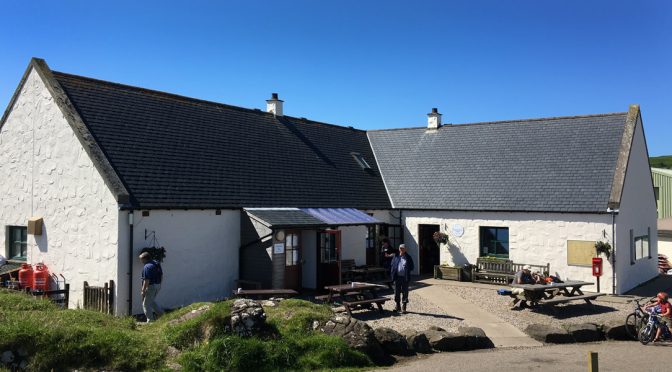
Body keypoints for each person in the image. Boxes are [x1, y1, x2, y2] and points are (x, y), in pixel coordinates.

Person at [140, 252, 164, 322]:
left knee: (145, 304)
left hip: (151, 287)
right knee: (151, 301)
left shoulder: (147, 266)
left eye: (141, 259)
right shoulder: (156, 263)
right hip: (158, 285)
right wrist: (159, 285)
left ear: (145, 259)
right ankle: (162, 314)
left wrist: (143, 291)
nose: (141, 261)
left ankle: (151, 321)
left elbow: (146, 280)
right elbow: (161, 275)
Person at [390, 244, 414, 314]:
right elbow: (392, 265)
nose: (401, 249)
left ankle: (404, 307)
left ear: (405, 249)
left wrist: (406, 268)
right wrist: (392, 273)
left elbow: (412, 267)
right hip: (397, 277)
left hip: (405, 277)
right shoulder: (396, 256)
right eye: (400, 248)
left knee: (405, 292)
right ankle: (398, 306)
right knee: (396, 292)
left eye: (403, 248)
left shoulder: (408, 257)